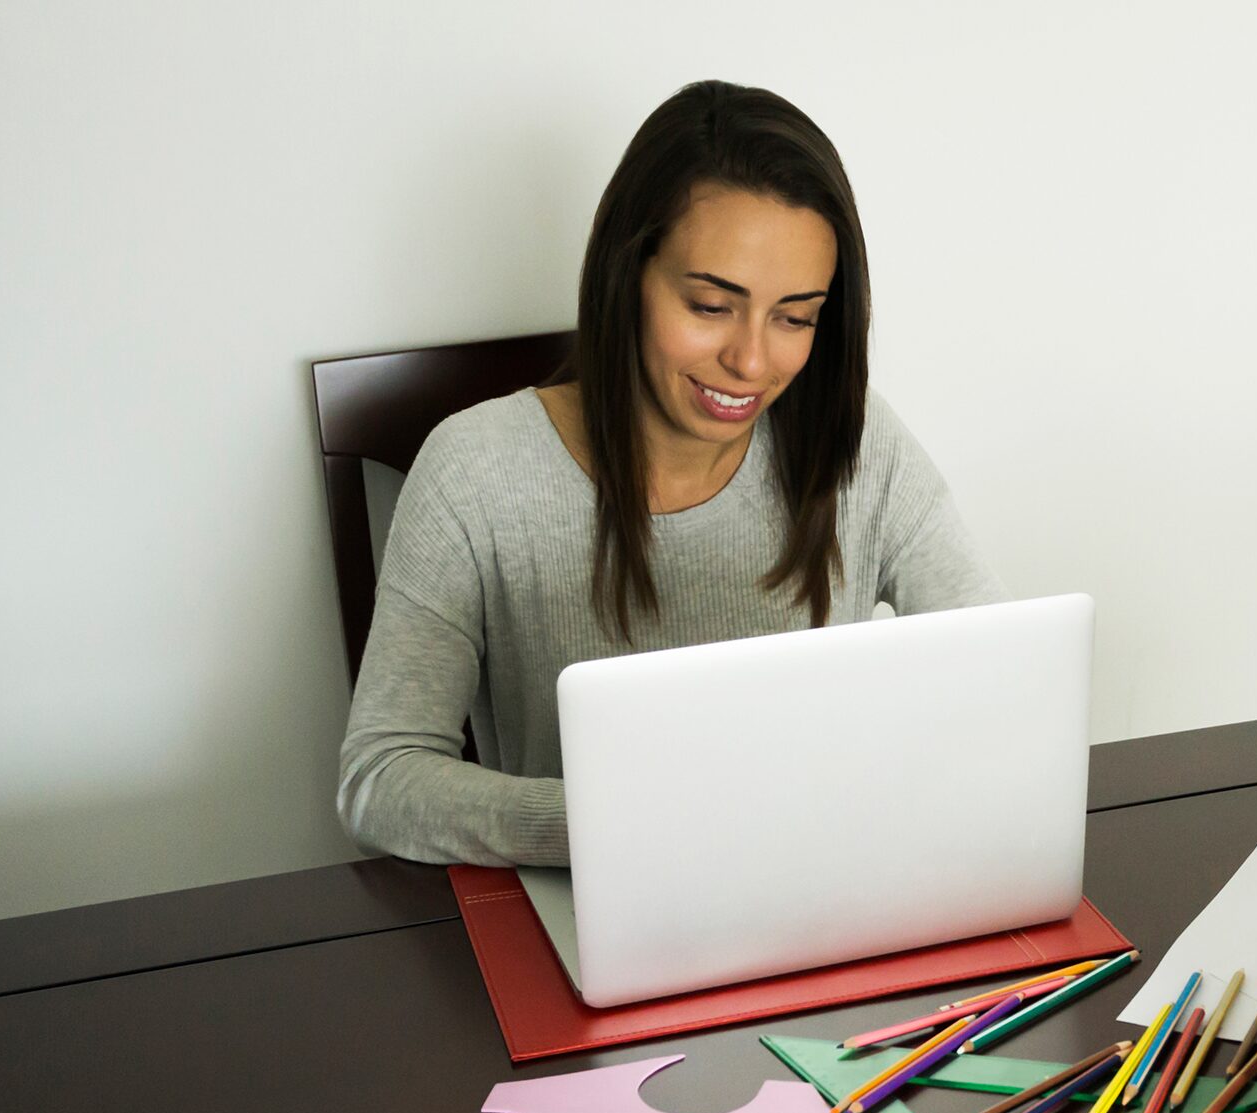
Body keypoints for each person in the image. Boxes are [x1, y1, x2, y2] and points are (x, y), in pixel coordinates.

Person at [338, 82, 1004, 866]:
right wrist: (610, 825)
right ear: (629, 276)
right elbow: (381, 780)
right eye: (710, 305)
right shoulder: (474, 474)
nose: (752, 361)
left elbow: (994, 677)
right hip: (596, 912)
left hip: (824, 891)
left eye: (795, 317)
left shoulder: (855, 441)